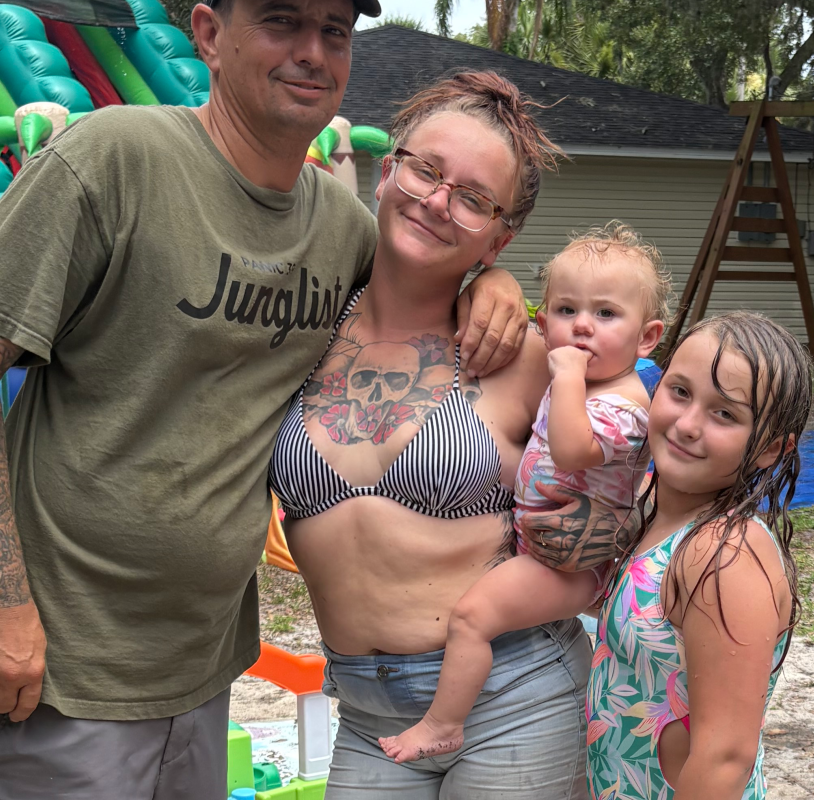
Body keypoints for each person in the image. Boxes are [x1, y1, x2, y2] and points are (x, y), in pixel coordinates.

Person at [0, 0, 531, 796]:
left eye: (333, 31)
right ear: (208, 34)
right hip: (60, 671)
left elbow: (424, 275)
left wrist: (492, 282)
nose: (311, 51)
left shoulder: (341, 230)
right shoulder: (114, 159)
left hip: (204, 677)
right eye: (280, 21)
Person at [270, 72, 635, 798]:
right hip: (367, 716)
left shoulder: (525, 355)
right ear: (387, 172)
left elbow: (638, 445)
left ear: (501, 236)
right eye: (426, 171)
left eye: (472, 198)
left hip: (517, 695)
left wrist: (608, 527)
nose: (437, 201)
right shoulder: (299, 328)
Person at [378, 222, 668, 764]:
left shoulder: (623, 404)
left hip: (568, 567)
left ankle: (443, 724)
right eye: (566, 310)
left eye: (607, 314)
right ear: (542, 321)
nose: (582, 326)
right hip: (545, 551)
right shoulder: (588, 384)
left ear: (646, 337)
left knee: (472, 618)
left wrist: (568, 376)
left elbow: (572, 451)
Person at [587, 311, 812, 800]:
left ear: (771, 448)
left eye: (725, 414)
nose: (687, 425)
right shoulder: (657, 518)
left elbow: (725, 757)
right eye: (680, 392)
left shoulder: (723, 554)